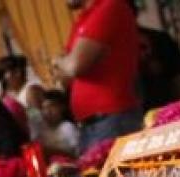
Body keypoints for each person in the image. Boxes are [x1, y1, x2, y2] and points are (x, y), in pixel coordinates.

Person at [54, 0, 141, 153]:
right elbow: (63, 78)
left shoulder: (110, 6)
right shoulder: (84, 17)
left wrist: (59, 61)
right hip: (90, 125)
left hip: (112, 120)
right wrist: (67, 63)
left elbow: (75, 66)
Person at [39, 89, 80, 158]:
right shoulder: (42, 131)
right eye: (44, 108)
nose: (47, 112)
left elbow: (78, 153)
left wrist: (56, 152)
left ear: (62, 107)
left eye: (52, 106)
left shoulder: (67, 127)